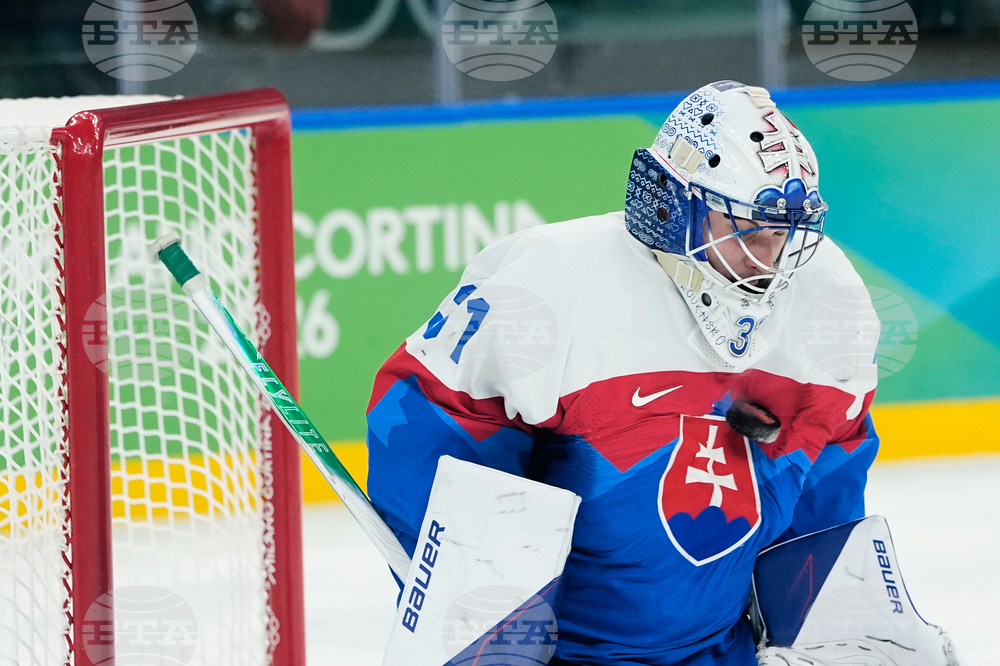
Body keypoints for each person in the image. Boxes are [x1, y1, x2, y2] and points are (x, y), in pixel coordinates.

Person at [365, 81, 880, 665]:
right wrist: (481, 618)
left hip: (718, 651)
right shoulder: (554, 281)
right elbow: (420, 422)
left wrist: (828, 635)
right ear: (675, 205)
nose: (770, 262)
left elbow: (824, 497)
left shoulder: (828, 300)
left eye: (787, 233)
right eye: (748, 231)